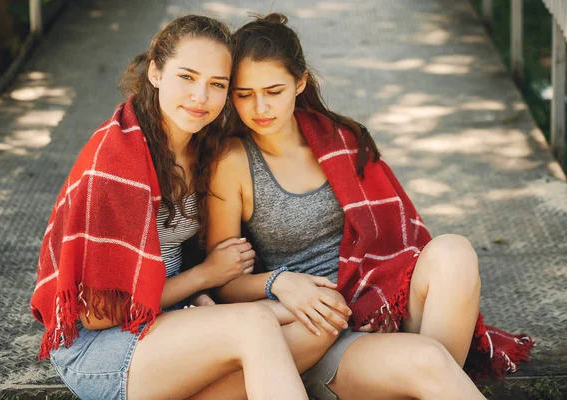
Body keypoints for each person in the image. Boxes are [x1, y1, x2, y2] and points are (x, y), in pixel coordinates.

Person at [201, 13, 534, 400]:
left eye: (274, 91)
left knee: (454, 251)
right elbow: (222, 283)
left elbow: (399, 241)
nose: (260, 107)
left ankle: (420, 378)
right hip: (319, 330)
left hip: (378, 301)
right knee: (427, 360)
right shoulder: (232, 162)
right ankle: (422, 377)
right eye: (244, 94)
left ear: (300, 82)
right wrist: (281, 281)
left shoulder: (340, 138)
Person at [30, 15, 310, 400]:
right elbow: (95, 315)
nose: (200, 97)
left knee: (312, 322)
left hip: (169, 318)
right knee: (255, 323)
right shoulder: (116, 162)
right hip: (102, 346)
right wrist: (204, 277)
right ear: (156, 72)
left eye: (217, 85)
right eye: (187, 77)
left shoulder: (204, 146)